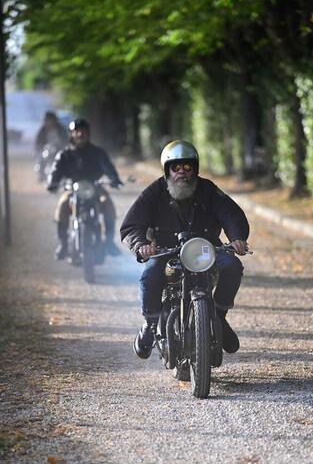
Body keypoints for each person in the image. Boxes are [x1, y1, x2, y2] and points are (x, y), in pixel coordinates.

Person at [120, 139, 250, 359]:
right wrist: (141, 244)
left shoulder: (208, 189)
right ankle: (151, 324)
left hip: (204, 249)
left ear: (195, 169)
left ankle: (219, 316)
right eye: (176, 167)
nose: (182, 172)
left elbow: (231, 214)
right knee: (149, 277)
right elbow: (132, 224)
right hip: (164, 250)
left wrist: (237, 238)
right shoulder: (155, 191)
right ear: (167, 170)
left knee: (232, 266)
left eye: (187, 167)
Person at [47, 118, 123, 260]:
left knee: (108, 204)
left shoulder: (98, 152)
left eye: (83, 130)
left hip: (95, 187)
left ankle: (109, 241)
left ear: (88, 133)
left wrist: (115, 180)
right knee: (62, 206)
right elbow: (55, 170)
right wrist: (52, 183)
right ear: (72, 134)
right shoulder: (64, 154)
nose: (80, 134)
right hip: (72, 188)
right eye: (77, 131)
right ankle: (63, 244)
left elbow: (108, 167)